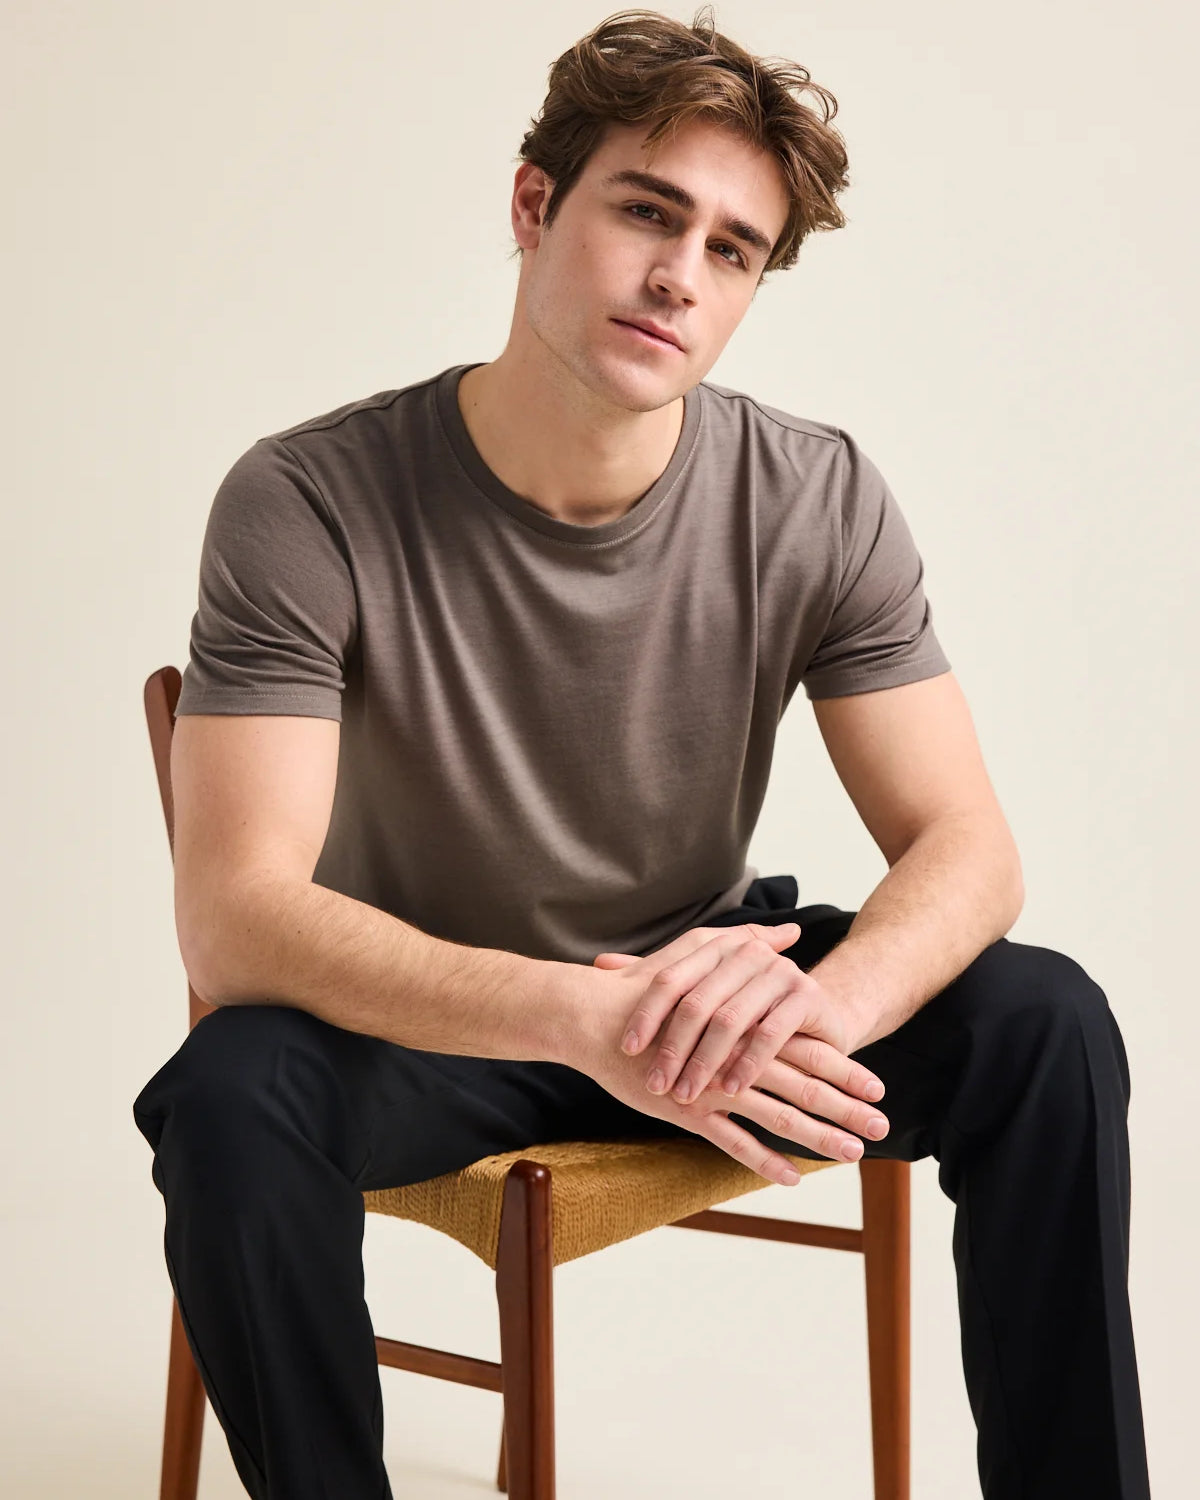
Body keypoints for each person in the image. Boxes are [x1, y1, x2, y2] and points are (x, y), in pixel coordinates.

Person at [132, 7, 1150, 1498]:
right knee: (229, 1097)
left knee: (1045, 1023)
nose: (681, 272)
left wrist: (808, 1007)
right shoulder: (310, 500)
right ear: (537, 205)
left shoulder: (815, 497)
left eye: (733, 248)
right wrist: (575, 1021)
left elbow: (969, 847)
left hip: (701, 994)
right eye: (647, 211)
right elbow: (237, 915)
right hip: (431, 1022)